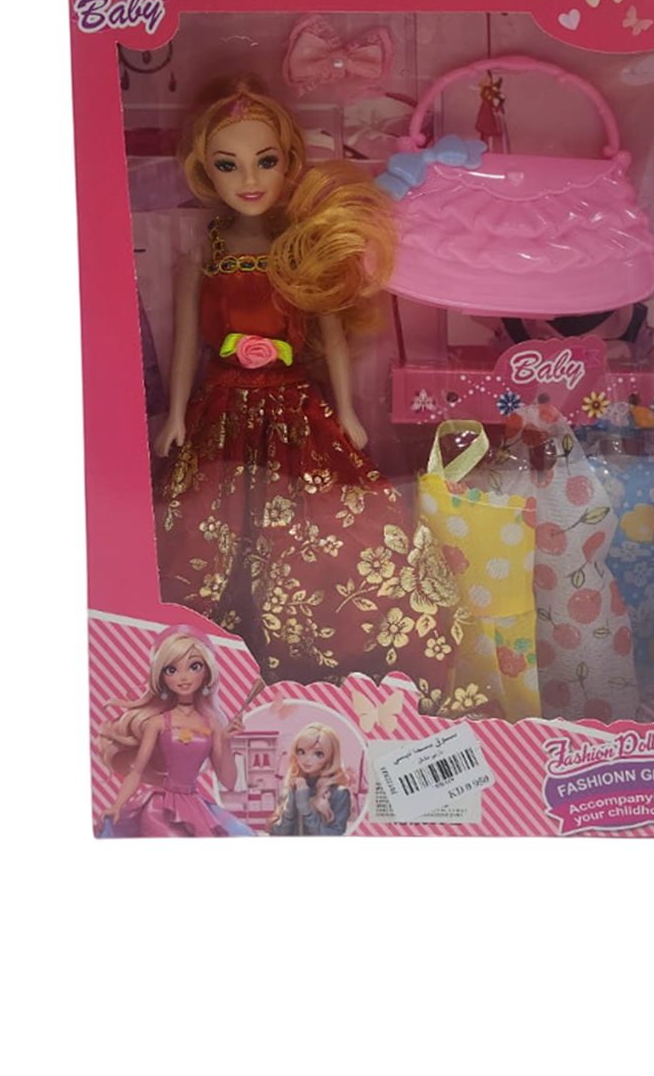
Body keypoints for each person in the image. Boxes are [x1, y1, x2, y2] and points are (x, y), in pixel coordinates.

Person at [153, 77, 466, 709]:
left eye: (265, 161)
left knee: (327, 530)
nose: (249, 179)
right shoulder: (204, 253)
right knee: (213, 532)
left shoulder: (303, 247)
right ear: (204, 170)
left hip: (295, 406)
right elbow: (186, 340)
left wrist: (346, 410)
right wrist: (176, 414)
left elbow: (331, 333)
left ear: (289, 162)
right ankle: (218, 669)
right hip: (222, 411)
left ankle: (333, 664)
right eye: (228, 164)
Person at [97, 626, 251, 837]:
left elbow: (229, 781)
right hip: (161, 807)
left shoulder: (212, 725)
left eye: (194, 666)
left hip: (194, 804)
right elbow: (137, 772)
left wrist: (225, 741)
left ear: (206, 672)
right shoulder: (158, 723)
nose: (183, 677)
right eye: (172, 670)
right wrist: (117, 805)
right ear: (161, 676)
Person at [267, 723, 353, 837]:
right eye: (301, 752)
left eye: (318, 754)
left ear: (330, 757)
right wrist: (289, 810)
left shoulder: (339, 794)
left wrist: (306, 811)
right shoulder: (292, 788)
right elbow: (276, 836)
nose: (307, 759)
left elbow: (335, 837)